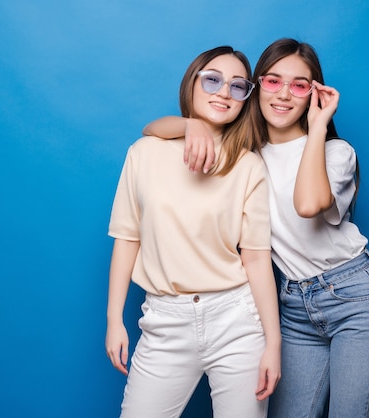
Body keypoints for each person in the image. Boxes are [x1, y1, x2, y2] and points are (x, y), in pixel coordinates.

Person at [143, 38, 369, 418]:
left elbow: (308, 204)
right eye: (272, 81)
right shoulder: (246, 156)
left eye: (299, 85)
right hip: (293, 309)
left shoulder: (336, 152)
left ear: (314, 94)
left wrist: (317, 128)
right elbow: (152, 129)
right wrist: (190, 124)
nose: (284, 94)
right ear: (256, 87)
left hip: (357, 302)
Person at [106, 46, 281, 418]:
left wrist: (274, 343)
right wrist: (114, 320)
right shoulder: (144, 152)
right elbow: (127, 238)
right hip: (165, 320)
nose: (223, 92)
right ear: (193, 82)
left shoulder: (249, 166)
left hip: (236, 318)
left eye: (237, 87)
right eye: (213, 80)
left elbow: (256, 258)